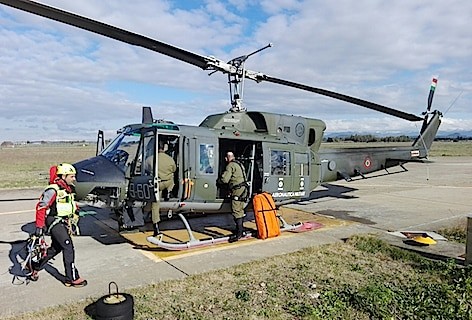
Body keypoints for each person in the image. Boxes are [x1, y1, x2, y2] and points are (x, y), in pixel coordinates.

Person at [27, 163, 87, 287]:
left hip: (63, 221)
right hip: (54, 221)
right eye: (72, 176)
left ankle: (34, 266)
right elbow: (41, 207)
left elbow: (68, 202)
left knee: (56, 248)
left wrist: (75, 210)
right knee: (68, 247)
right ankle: (71, 278)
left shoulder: (67, 189)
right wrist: (39, 226)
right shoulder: (53, 190)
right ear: (63, 176)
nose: (74, 179)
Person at [218, 151, 249, 242]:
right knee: (240, 209)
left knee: (236, 210)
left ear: (227, 158)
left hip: (237, 190)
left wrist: (219, 181)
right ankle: (241, 230)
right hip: (243, 189)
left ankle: (239, 234)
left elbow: (225, 179)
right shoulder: (239, 164)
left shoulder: (230, 165)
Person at [151, 142, 177, 236]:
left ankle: (156, 226)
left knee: (155, 204)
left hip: (157, 184)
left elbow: (146, 167)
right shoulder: (169, 159)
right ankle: (169, 192)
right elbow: (174, 169)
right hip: (167, 183)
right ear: (163, 148)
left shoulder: (151, 159)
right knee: (172, 177)